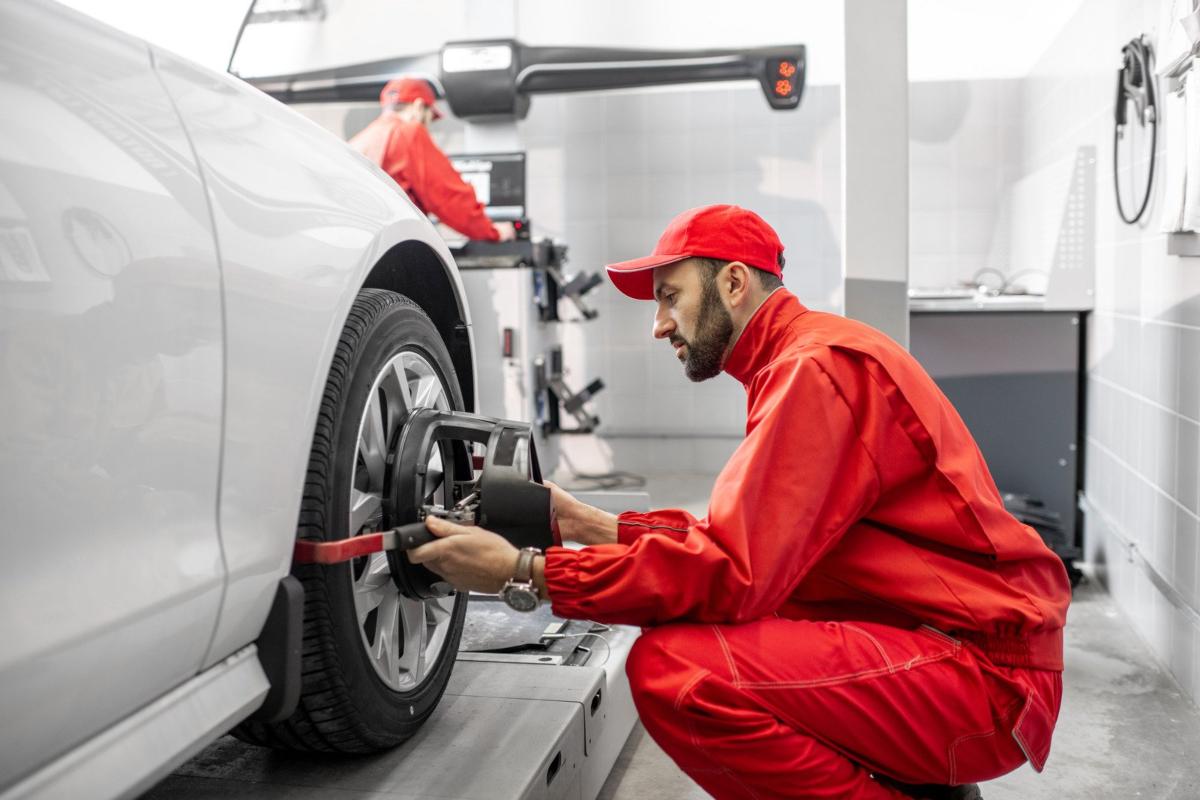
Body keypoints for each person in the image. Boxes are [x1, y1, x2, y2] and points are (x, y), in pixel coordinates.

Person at [408, 204, 1071, 800]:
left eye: (670, 296)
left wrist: (522, 573)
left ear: (733, 283)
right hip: (947, 647)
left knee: (676, 671)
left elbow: (732, 571)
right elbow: (747, 541)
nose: (659, 325)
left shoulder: (814, 371)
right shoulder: (804, 358)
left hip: (983, 681)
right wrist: (585, 520)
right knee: (714, 627)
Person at [349, 76, 515, 242]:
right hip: (394, 245)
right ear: (419, 106)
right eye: (429, 118)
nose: (427, 126)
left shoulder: (359, 141)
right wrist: (493, 230)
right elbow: (449, 196)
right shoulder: (408, 133)